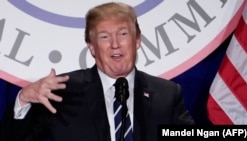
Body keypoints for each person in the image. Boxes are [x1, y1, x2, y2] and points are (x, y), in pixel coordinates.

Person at [1, 2, 195, 141]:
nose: (115, 44)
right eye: (104, 37)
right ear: (92, 47)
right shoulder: (63, 93)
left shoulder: (167, 94)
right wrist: (23, 99)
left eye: (123, 34)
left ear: (137, 41)